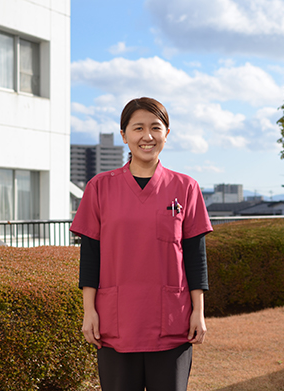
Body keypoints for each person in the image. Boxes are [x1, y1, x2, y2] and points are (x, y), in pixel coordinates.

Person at [70, 97, 213, 391]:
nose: (147, 137)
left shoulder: (186, 188)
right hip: (116, 321)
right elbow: (91, 255)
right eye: (137, 128)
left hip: (172, 321)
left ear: (166, 133)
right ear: (124, 135)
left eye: (155, 128)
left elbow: (195, 256)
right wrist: (89, 311)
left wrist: (198, 311)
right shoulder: (100, 187)